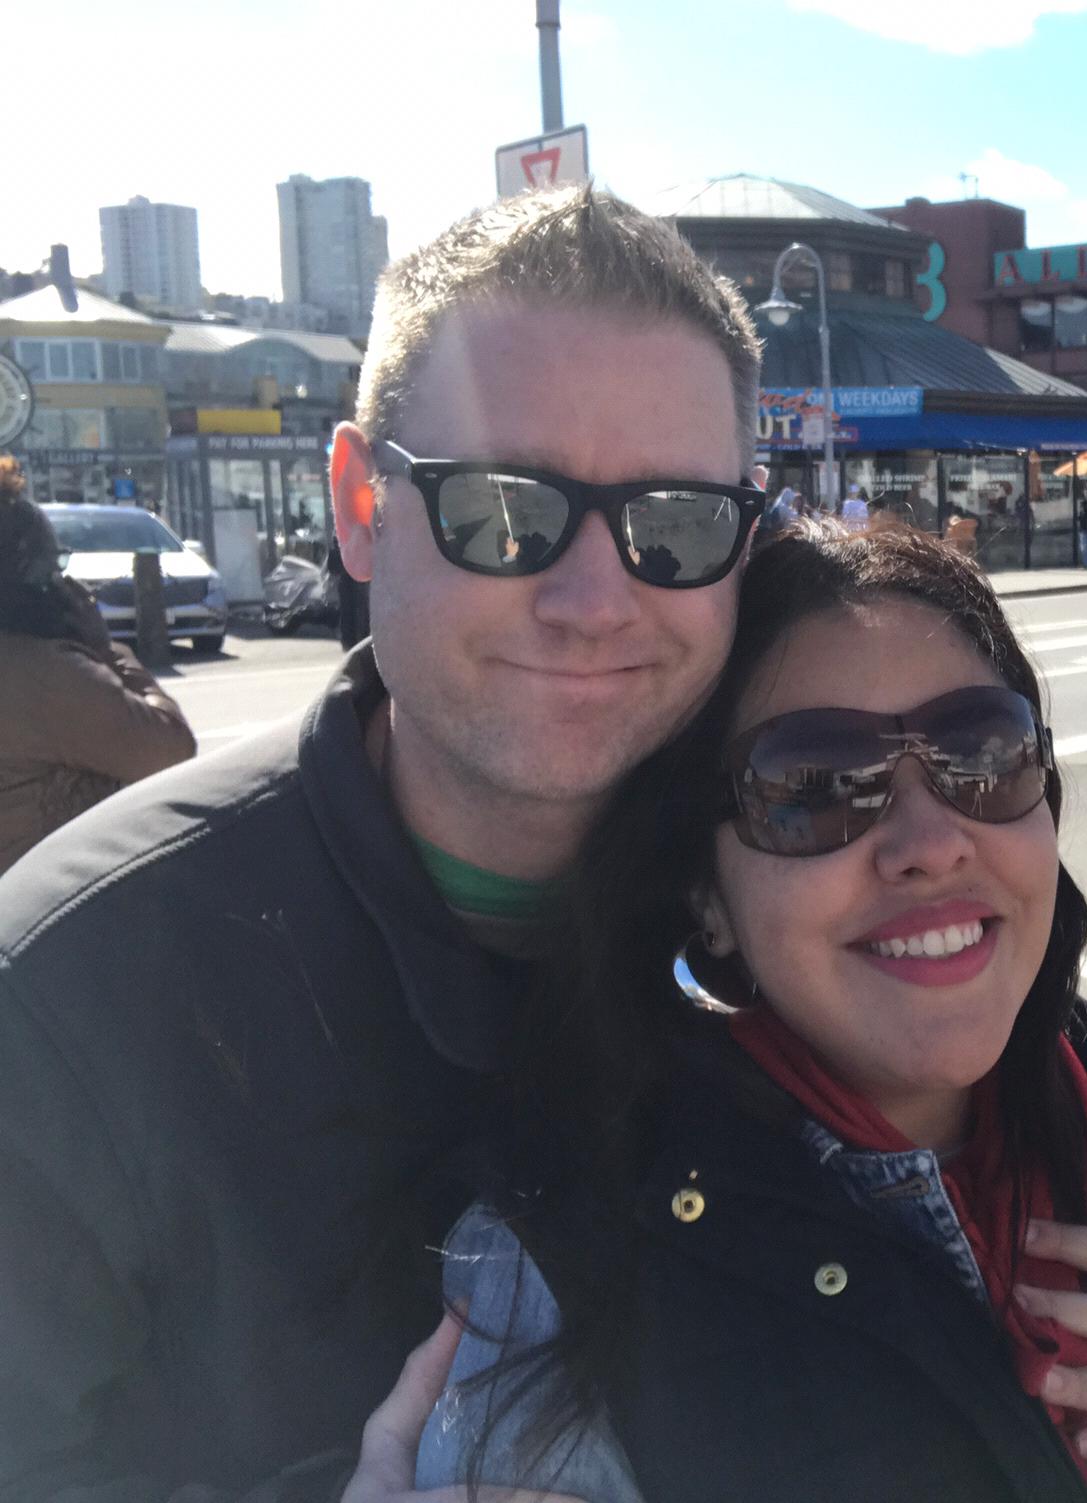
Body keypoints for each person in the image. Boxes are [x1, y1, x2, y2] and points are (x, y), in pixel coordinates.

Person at [0, 183, 772, 1499]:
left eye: (677, 525)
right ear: (359, 503)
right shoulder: (75, 999)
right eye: (505, 510)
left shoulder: (802, 878)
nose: (597, 598)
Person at [414, 523, 1087, 1502]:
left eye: (981, 753)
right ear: (706, 897)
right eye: (813, 786)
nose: (930, 842)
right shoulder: (568, 1273)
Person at [0, 456, 195, 873]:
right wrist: (106, 650)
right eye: (51, 566)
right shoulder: (43, 675)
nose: (60, 582)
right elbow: (170, 750)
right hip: (46, 905)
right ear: (20, 571)